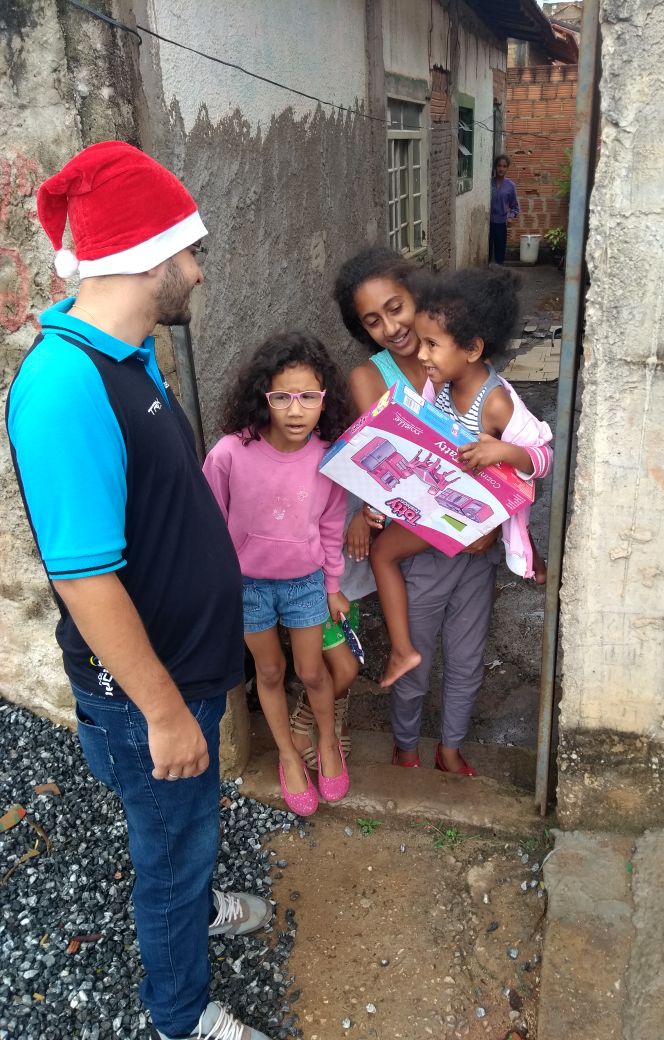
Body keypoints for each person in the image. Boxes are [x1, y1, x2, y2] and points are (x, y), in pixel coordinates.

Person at [6, 141, 274, 1040]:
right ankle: (181, 1015)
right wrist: (161, 712)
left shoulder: (126, 356)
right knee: (167, 856)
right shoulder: (64, 386)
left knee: (184, 831)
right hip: (147, 697)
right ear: (149, 256)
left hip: (181, 672)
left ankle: (193, 909)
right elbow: (85, 579)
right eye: (192, 252)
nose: (198, 272)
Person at [371, 267, 553, 772]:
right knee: (416, 658)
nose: (422, 355)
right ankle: (406, 746)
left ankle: (449, 748)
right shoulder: (440, 389)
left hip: (477, 554)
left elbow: (543, 457)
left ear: (472, 349)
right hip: (431, 549)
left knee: (467, 658)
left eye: (432, 344)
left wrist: (503, 451)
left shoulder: (497, 402)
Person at [288, 246, 430, 762]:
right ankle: (325, 711)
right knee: (346, 612)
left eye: (396, 308)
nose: (390, 327)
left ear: (418, 295)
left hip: (429, 515)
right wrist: (365, 515)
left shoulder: (450, 354)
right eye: (373, 321)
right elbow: (379, 459)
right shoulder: (369, 377)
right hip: (377, 505)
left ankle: (335, 707)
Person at [203, 332, 352, 817]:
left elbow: (331, 526)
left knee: (311, 671)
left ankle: (326, 741)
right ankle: (288, 754)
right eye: (282, 397)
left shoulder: (328, 457)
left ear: (325, 399)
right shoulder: (229, 453)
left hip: (306, 582)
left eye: (308, 396)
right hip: (247, 587)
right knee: (269, 671)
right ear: (262, 397)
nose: (295, 409)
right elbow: (209, 523)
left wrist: (334, 586)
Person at [489, 154, 520, 265]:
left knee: (499, 255)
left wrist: (511, 217)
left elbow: (515, 207)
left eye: (504, 166)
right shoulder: (488, 183)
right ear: (495, 167)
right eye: (499, 166)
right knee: (487, 253)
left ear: (507, 168)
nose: (501, 169)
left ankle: (499, 273)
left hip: (501, 224)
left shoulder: (510, 186)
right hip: (487, 223)